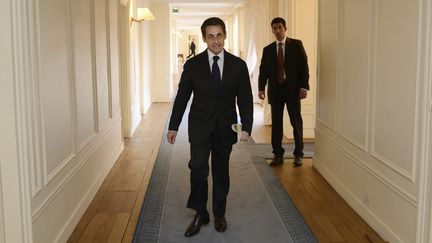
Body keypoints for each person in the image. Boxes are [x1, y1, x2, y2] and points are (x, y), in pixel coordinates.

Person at [167, 17, 253, 237]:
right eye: (211, 36)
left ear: (225, 35)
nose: (216, 41)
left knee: (221, 172)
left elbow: (245, 97)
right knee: (197, 168)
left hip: (225, 127)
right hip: (199, 126)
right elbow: (182, 97)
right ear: (204, 38)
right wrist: (173, 126)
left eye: (219, 35)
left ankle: (219, 214)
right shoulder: (193, 65)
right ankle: (200, 213)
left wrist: (247, 126)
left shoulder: (238, 65)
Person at [258, 17, 309, 167]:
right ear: (272, 30)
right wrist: (261, 88)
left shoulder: (296, 45)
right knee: (277, 125)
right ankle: (277, 155)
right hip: (275, 91)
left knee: (296, 123)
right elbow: (263, 71)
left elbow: (304, 68)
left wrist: (304, 87)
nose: (277, 30)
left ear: (285, 28)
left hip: (293, 91)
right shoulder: (267, 50)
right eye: (274, 28)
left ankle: (298, 155)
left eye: (280, 27)